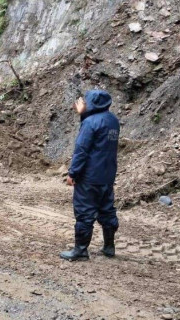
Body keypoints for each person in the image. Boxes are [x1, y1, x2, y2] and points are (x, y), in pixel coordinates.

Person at [60, 90, 120, 261]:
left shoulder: (90, 122)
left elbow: (82, 150)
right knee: (107, 211)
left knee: (84, 213)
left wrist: (73, 173)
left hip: (89, 176)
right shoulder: (113, 121)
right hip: (107, 175)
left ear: (93, 103)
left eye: (86, 101)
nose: (83, 103)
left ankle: (80, 250)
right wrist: (83, 115)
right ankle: (109, 247)